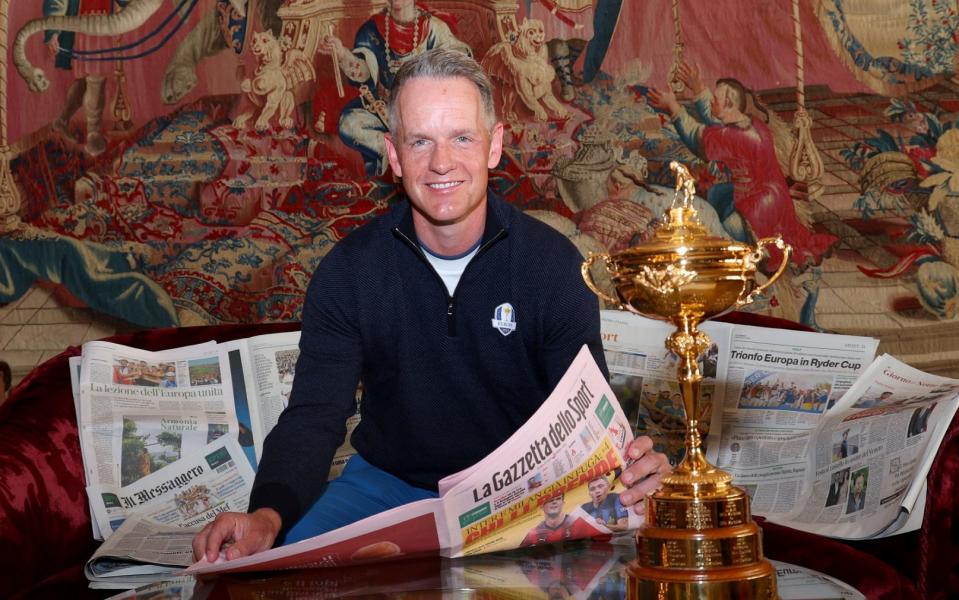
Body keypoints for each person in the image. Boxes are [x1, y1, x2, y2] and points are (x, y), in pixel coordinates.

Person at [193, 48, 670, 563]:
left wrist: (635, 464)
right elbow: (314, 416)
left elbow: (586, 420)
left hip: (522, 495)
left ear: (494, 146)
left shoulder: (552, 265)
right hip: (386, 486)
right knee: (281, 564)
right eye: (420, 141)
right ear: (394, 157)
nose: (441, 163)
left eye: (461, 137)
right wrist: (266, 514)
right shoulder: (349, 271)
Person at [648, 62, 838, 328]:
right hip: (769, 196)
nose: (713, 103)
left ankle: (756, 292)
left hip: (760, 204)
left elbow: (698, 137)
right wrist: (699, 89)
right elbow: (716, 123)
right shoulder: (750, 124)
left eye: (716, 99)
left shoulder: (737, 136)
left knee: (725, 237)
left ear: (729, 104)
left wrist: (673, 106)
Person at [320, 0, 471, 176]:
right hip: (384, 109)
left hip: (425, 113)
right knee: (349, 124)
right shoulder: (371, 29)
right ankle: (392, 152)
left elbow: (458, 63)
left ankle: (412, 153)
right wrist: (341, 53)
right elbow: (363, 73)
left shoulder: (433, 28)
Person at [520, 492, 596, 547]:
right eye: (550, 500)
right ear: (541, 506)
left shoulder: (578, 523)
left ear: (563, 502)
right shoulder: (534, 533)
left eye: (558, 499)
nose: (554, 502)